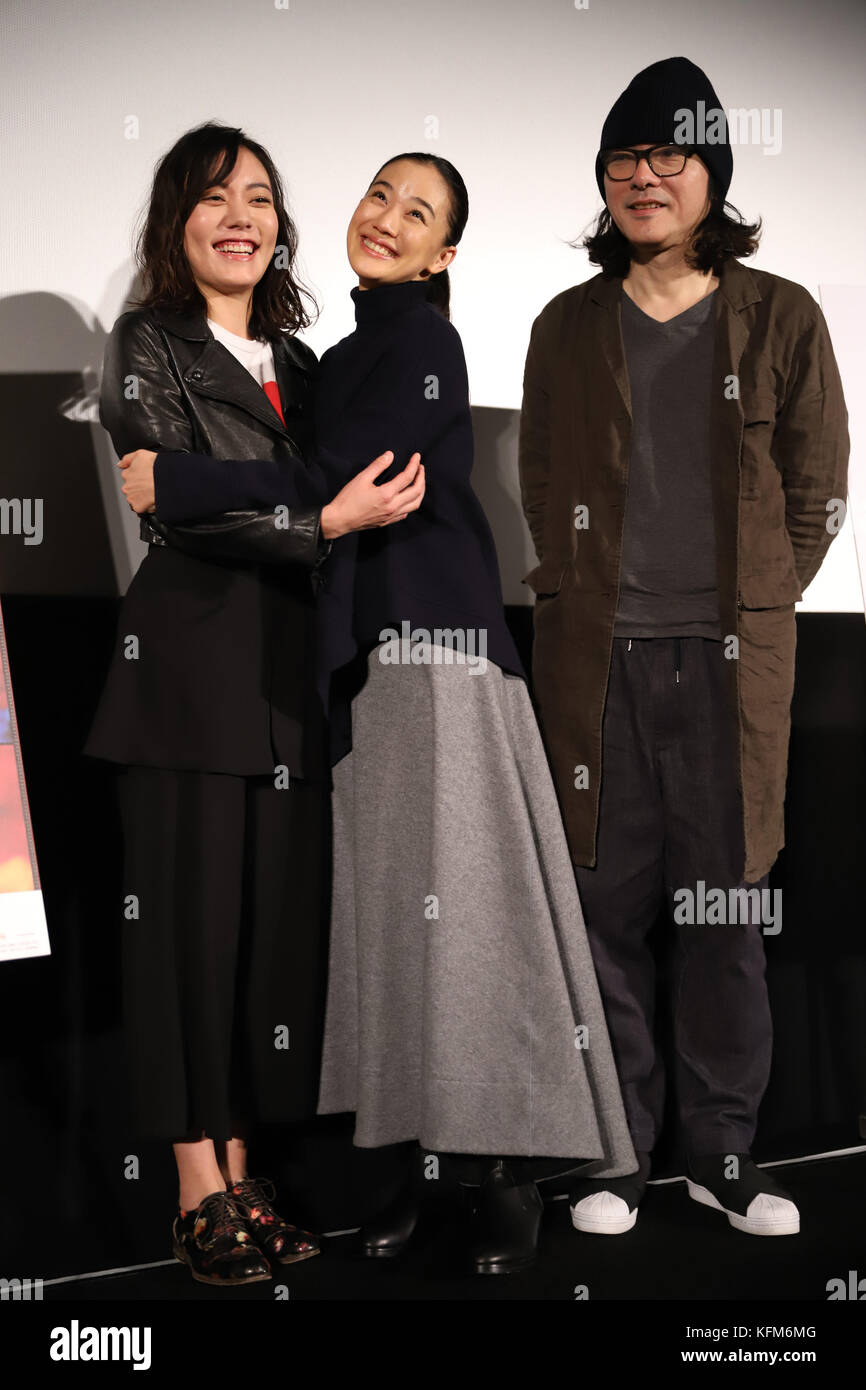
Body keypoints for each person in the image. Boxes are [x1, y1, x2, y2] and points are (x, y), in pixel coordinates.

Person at [166, 152, 638, 1274]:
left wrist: (174, 482)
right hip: (371, 668)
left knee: (477, 928)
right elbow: (323, 495)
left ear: (445, 253)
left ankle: (508, 1179)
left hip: (439, 655)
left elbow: (337, 475)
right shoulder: (339, 353)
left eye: (416, 212)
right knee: (403, 932)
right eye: (378, 195)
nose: (385, 219)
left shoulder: (420, 341)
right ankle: (432, 1173)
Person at [84, 122, 425, 1287]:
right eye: (218, 195)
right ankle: (194, 1183)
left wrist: (208, 479)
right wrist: (314, 517)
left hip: (290, 685)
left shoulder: (307, 361)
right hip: (183, 677)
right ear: (179, 219)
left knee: (258, 952)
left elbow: (252, 482)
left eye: (262, 197)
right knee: (185, 939)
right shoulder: (149, 344)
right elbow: (181, 514)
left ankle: (243, 1166)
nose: (243, 214)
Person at [518, 57, 849, 1238]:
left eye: (669, 157)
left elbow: (814, 493)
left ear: (712, 176)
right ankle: (613, 1161)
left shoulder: (780, 314)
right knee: (600, 915)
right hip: (592, 668)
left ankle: (721, 1155)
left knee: (723, 915)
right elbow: (541, 482)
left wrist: (754, 603)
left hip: (726, 670)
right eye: (623, 159)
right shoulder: (565, 324)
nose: (643, 178)